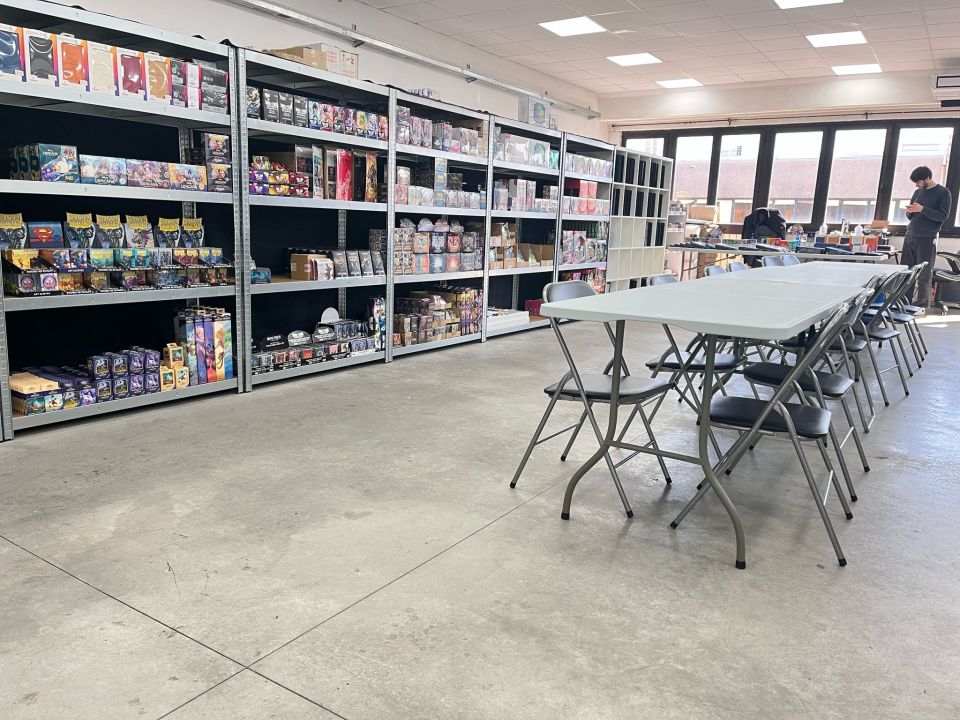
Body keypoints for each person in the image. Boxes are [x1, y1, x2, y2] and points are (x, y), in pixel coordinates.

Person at [902, 166, 953, 314]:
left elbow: (943, 216)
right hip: (910, 235)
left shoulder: (943, 193)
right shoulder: (918, 192)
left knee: (924, 273)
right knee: (907, 272)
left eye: (918, 182)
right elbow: (912, 216)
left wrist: (922, 209)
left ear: (927, 178)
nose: (916, 185)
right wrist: (910, 211)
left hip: (927, 237)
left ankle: (921, 306)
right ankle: (904, 303)